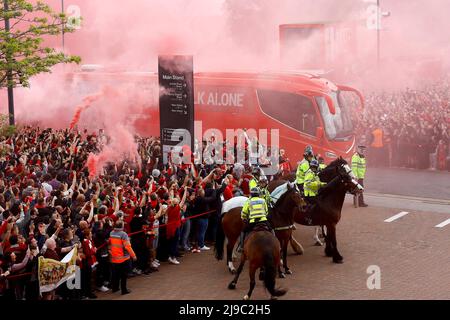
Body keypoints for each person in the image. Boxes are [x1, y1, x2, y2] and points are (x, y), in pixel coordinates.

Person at [237, 188, 271, 252]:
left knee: (243, 231)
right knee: (271, 229)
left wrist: (243, 218)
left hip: (253, 222)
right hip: (263, 220)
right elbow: (266, 211)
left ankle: (241, 247)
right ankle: (278, 244)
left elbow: (244, 212)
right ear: (258, 194)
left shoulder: (248, 201)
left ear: (251, 194)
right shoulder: (263, 200)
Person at [108, 221, 136, 295]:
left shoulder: (111, 233)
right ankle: (124, 290)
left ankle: (115, 288)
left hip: (114, 258)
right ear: (122, 226)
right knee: (123, 275)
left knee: (115, 274)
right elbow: (128, 247)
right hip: (123, 258)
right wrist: (133, 255)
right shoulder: (123, 234)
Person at [303, 160, 326, 224]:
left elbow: (317, 182)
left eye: (314, 167)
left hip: (312, 192)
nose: (314, 168)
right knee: (316, 203)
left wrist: (322, 184)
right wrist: (318, 184)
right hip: (308, 193)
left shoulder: (314, 173)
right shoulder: (310, 173)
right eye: (313, 167)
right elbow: (308, 183)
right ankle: (308, 217)